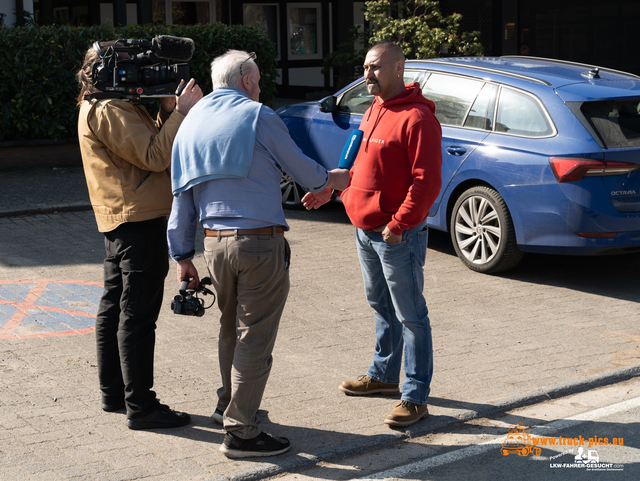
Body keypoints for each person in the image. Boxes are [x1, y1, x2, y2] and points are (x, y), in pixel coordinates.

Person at [167, 49, 350, 457]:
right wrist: (333, 179)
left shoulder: (189, 123)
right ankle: (242, 432)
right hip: (258, 243)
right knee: (255, 338)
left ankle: (227, 406)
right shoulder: (259, 115)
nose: (261, 86)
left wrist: (182, 257)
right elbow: (305, 172)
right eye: (259, 79)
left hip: (214, 243)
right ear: (246, 81)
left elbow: (181, 199)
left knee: (229, 328)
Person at [303, 42, 442, 427]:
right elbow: (354, 156)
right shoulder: (375, 108)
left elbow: (427, 183)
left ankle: (415, 396)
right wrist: (331, 187)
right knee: (381, 306)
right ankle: (383, 376)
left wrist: (398, 225)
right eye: (364, 67)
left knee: (411, 315)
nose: (367, 75)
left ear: (399, 68)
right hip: (365, 229)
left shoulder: (418, 119)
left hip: (396, 235)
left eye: (375, 68)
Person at [76, 40, 203, 430]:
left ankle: (115, 393)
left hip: (125, 217)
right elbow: (154, 158)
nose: (139, 75)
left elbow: (145, 154)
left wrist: (166, 114)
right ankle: (141, 407)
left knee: (115, 308)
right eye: (129, 68)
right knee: (137, 315)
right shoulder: (111, 108)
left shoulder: (104, 105)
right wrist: (181, 113)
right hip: (138, 221)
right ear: (106, 72)